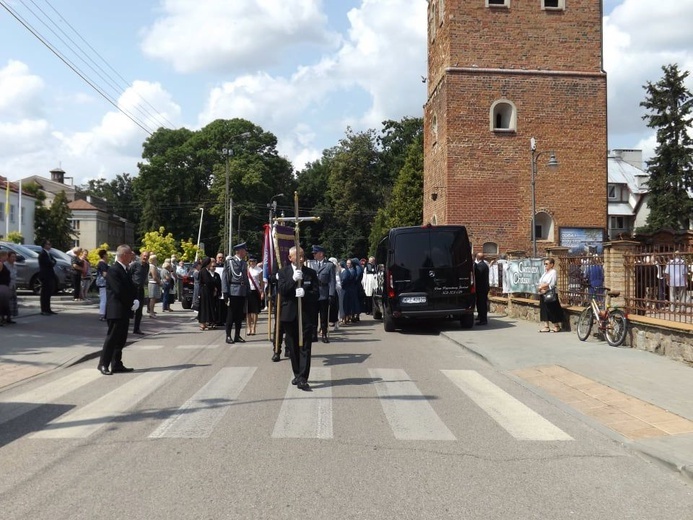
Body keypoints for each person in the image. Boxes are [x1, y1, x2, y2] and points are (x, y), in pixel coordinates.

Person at [278, 246, 319, 391]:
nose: (301, 258)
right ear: (290, 258)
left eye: (302, 255)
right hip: (290, 315)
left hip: (306, 315)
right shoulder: (283, 272)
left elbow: (316, 294)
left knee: (305, 347)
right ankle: (296, 373)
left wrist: (306, 294)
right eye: (298, 256)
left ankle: (303, 378)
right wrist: (293, 280)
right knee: (293, 347)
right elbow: (282, 290)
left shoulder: (311, 273)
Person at [97, 244, 138, 375]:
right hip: (116, 310)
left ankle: (117, 364)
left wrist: (135, 300)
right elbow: (118, 290)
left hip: (123, 309)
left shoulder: (125, 269)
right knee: (112, 338)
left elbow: (131, 288)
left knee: (121, 339)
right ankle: (103, 364)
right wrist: (130, 302)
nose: (132, 256)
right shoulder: (114, 270)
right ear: (124, 255)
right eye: (130, 254)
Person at [223, 242, 250, 344]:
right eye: (244, 250)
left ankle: (237, 335)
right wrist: (225, 292)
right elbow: (225, 278)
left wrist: (248, 289)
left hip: (242, 291)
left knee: (239, 316)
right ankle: (228, 336)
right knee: (231, 315)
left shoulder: (243, 262)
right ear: (239, 251)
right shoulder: (230, 262)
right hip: (233, 290)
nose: (245, 252)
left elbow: (245, 277)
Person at [308, 245, 335, 343]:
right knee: (313, 315)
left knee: (324, 316)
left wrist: (331, 294)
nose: (313, 255)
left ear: (321, 254)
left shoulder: (329, 265)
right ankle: (313, 334)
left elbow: (332, 281)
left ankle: (324, 334)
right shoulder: (311, 264)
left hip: (324, 292)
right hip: (314, 293)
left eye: (315, 253)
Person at [537, 257, 564, 333]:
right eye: (544, 264)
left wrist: (541, 287)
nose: (545, 265)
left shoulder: (553, 272)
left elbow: (550, 283)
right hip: (543, 293)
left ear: (551, 264)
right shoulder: (545, 273)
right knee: (544, 310)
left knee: (551, 310)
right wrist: (540, 288)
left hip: (550, 294)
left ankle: (556, 326)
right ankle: (546, 326)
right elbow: (541, 282)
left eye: (546, 264)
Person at [130, 250, 149, 334]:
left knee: (140, 309)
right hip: (133, 288)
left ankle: (136, 328)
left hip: (141, 289)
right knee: (130, 308)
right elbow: (129, 275)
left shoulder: (147, 266)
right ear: (141, 256)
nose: (145, 257)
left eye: (147, 256)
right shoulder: (135, 265)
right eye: (144, 256)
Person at [38, 239, 57, 316]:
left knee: (49, 292)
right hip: (45, 275)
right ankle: (44, 309)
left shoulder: (48, 253)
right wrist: (51, 263)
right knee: (44, 293)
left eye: (50, 244)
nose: (50, 245)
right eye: (48, 244)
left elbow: (54, 261)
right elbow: (48, 263)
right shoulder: (42, 254)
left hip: (50, 275)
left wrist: (51, 263)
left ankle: (48, 309)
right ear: (44, 245)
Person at [246, 256, 264, 335]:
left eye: (253, 261)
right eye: (250, 261)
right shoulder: (247, 270)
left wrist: (262, 292)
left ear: (256, 262)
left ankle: (254, 327)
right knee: (248, 311)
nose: (252, 263)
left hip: (256, 291)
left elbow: (261, 282)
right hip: (248, 291)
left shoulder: (259, 270)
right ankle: (249, 327)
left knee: (255, 311)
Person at [198, 257, 216, 330]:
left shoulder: (205, 271)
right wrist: (213, 287)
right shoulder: (204, 271)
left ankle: (205, 322)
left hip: (207, 291)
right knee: (204, 307)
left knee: (206, 307)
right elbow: (207, 281)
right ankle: (202, 323)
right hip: (205, 291)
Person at [474, 252, 490, 325]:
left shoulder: (481, 266)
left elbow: (477, 276)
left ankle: (483, 320)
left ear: (477, 257)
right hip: (483, 288)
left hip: (481, 288)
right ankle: (480, 316)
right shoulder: (484, 264)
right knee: (480, 303)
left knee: (482, 304)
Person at [95, 249, 109, 321]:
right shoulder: (102, 263)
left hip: (101, 283)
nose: (107, 256)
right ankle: (102, 314)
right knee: (104, 299)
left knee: (104, 298)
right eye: (106, 254)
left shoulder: (101, 263)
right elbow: (104, 274)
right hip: (103, 283)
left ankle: (104, 314)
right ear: (104, 255)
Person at [5, 250, 18, 323]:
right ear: (8, 257)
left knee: (12, 302)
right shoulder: (5, 265)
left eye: (14, 257)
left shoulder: (15, 266)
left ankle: (9, 318)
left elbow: (15, 276)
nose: (14, 258)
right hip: (7, 286)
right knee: (6, 302)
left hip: (13, 285)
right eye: (12, 257)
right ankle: (4, 318)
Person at [0, 251, 11, 326]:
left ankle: (3, 318)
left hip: (4, 285)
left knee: (3, 303)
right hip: (1, 286)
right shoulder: (0, 264)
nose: (7, 257)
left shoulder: (3, 264)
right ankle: (1, 319)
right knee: (1, 303)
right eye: (6, 255)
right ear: (3, 256)